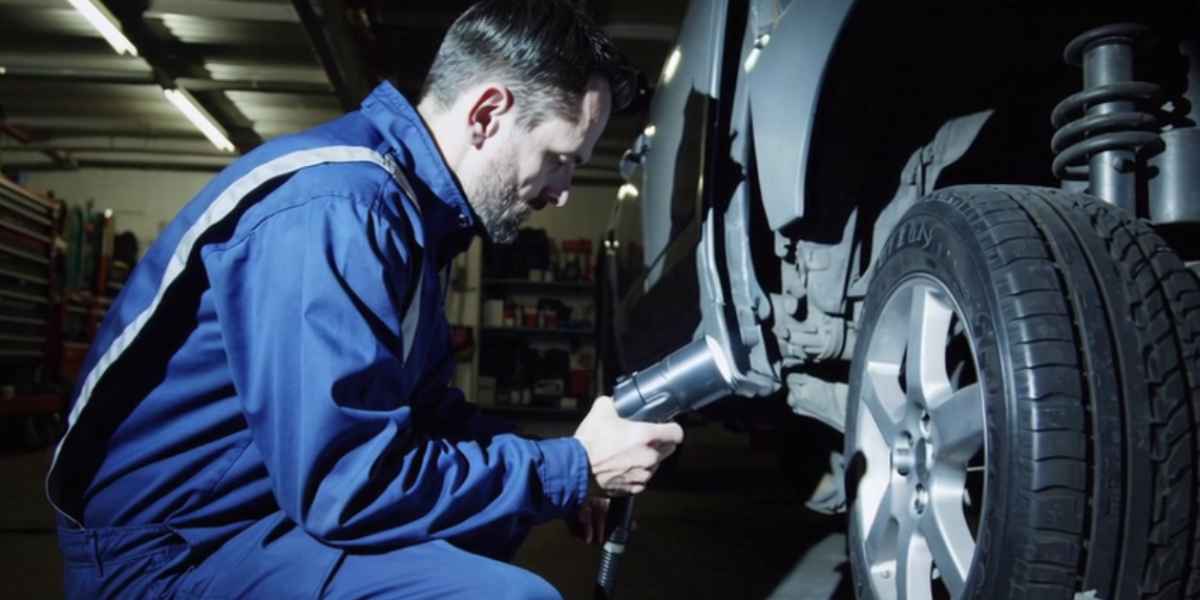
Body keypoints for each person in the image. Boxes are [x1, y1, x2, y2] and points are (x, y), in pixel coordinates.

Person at [47, 1, 683, 598]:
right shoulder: (340, 209)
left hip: (247, 512)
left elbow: (427, 413)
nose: (563, 192)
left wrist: (566, 462)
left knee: (497, 521)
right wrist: (567, 470)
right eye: (559, 159)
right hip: (170, 550)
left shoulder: (413, 218)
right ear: (487, 114)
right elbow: (345, 484)